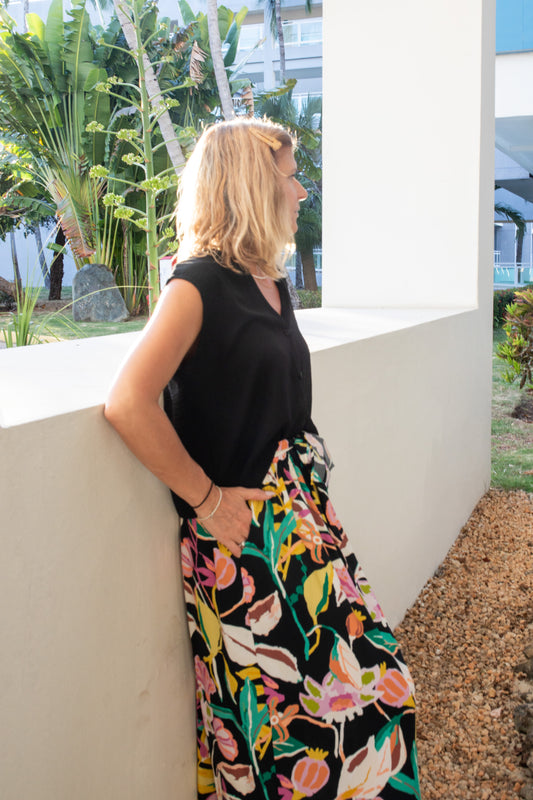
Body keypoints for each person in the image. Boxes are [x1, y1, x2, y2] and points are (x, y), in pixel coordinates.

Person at [104, 118, 420, 800]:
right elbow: (128, 402)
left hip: (304, 521)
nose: (301, 192)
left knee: (375, 689)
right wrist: (208, 501)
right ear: (250, 183)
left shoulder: (270, 283)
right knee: (280, 726)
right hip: (243, 543)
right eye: (289, 177)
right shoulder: (196, 286)